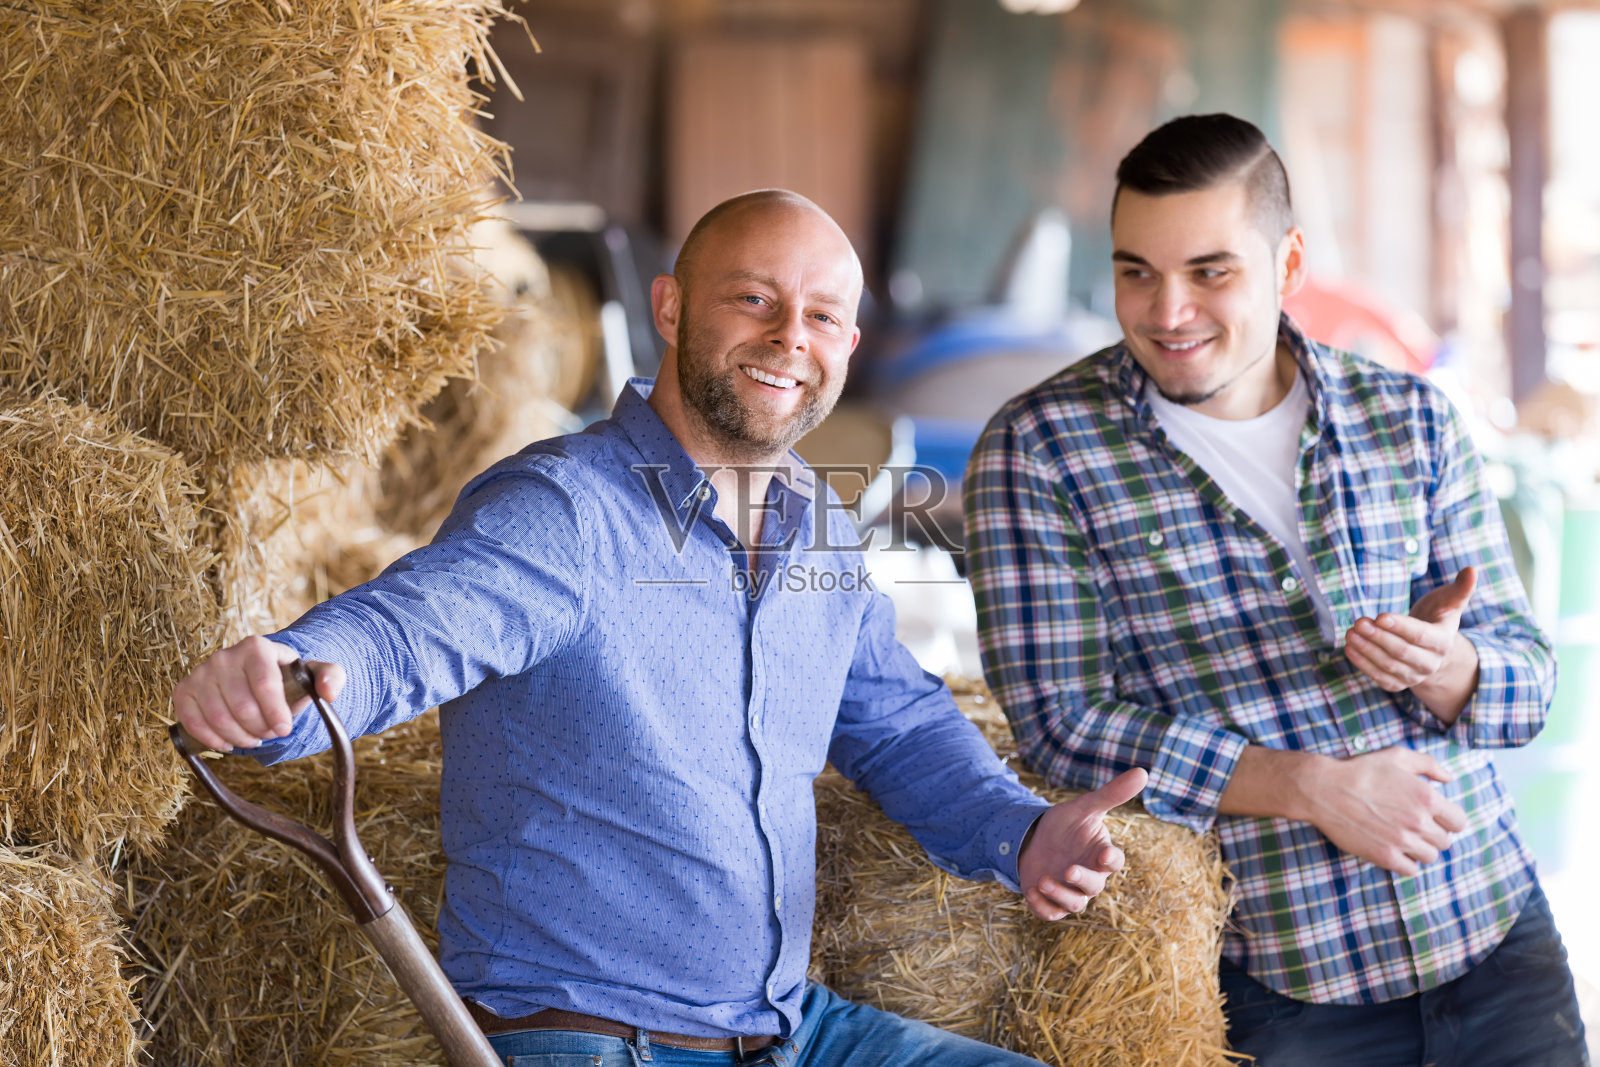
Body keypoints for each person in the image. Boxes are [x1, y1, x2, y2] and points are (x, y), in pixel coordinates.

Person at [174, 189, 1147, 1067]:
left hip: (785, 1027)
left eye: (820, 315)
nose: (787, 337)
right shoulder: (567, 508)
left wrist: (1018, 830)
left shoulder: (822, 528)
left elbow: (895, 722)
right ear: (672, 307)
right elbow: (412, 627)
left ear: (849, 344)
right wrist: (291, 679)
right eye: (753, 300)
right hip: (597, 1033)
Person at [964, 114, 1588, 1066]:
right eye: (1137, 270)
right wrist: (1308, 788)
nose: (1167, 309)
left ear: (1288, 262)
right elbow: (1059, 716)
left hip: (1495, 935)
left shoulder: (1408, 415)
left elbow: (1527, 683)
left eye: (1210, 271)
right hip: (1285, 981)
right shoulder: (1040, 447)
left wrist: (1450, 666)